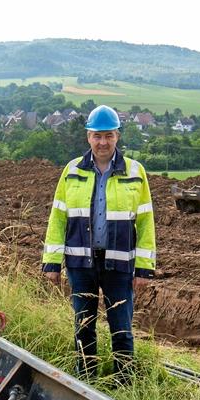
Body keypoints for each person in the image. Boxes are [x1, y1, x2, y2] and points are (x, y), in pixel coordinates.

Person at [42, 105, 156, 381]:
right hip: (81, 264)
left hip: (119, 264)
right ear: (88, 137)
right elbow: (57, 218)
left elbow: (145, 222)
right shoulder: (71, 171)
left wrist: (143, 268)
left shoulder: (134, 171)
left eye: (108, 136)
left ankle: (125, 383)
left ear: (117, 136)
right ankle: (87, 381)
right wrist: (52, 262)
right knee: (83, 326)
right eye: (97, 136)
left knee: (122, 328)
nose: (103, 142)